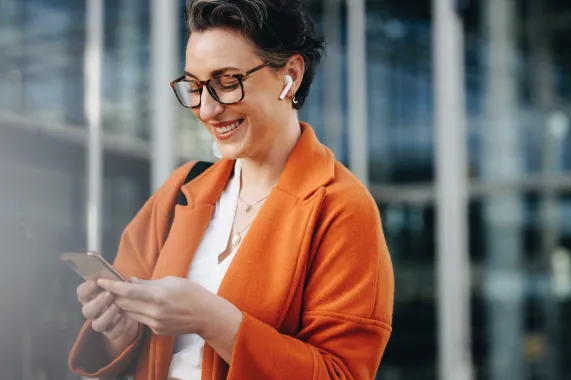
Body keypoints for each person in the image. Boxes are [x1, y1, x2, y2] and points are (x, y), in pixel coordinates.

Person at [68, 0, 394, 379]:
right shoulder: (182, 189)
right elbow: (134, 352)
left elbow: (342, 374)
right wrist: (119, 333)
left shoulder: (340, 208)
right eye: (194, 85)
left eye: (227, 82)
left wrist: (216, 321)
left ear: (290, 75)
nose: (206, 109)